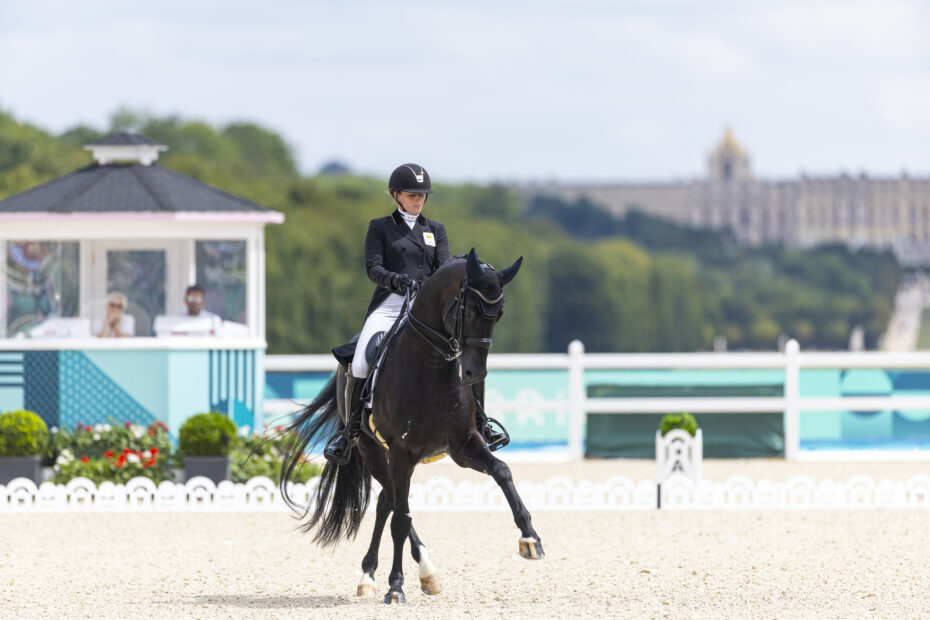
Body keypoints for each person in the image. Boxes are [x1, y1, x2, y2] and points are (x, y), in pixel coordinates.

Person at [324, 163, 505, 464]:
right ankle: (350, 430)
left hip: (428, 308)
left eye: (422, 195)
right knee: (358, 363)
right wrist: (395, 279)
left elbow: (445, 270)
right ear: (396, 195)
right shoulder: (380, 227)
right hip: (390, 303)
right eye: (412, 194)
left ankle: (482, 422)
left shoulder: (436, 230)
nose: (418, 200)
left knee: (466, 355)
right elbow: (373, 267)